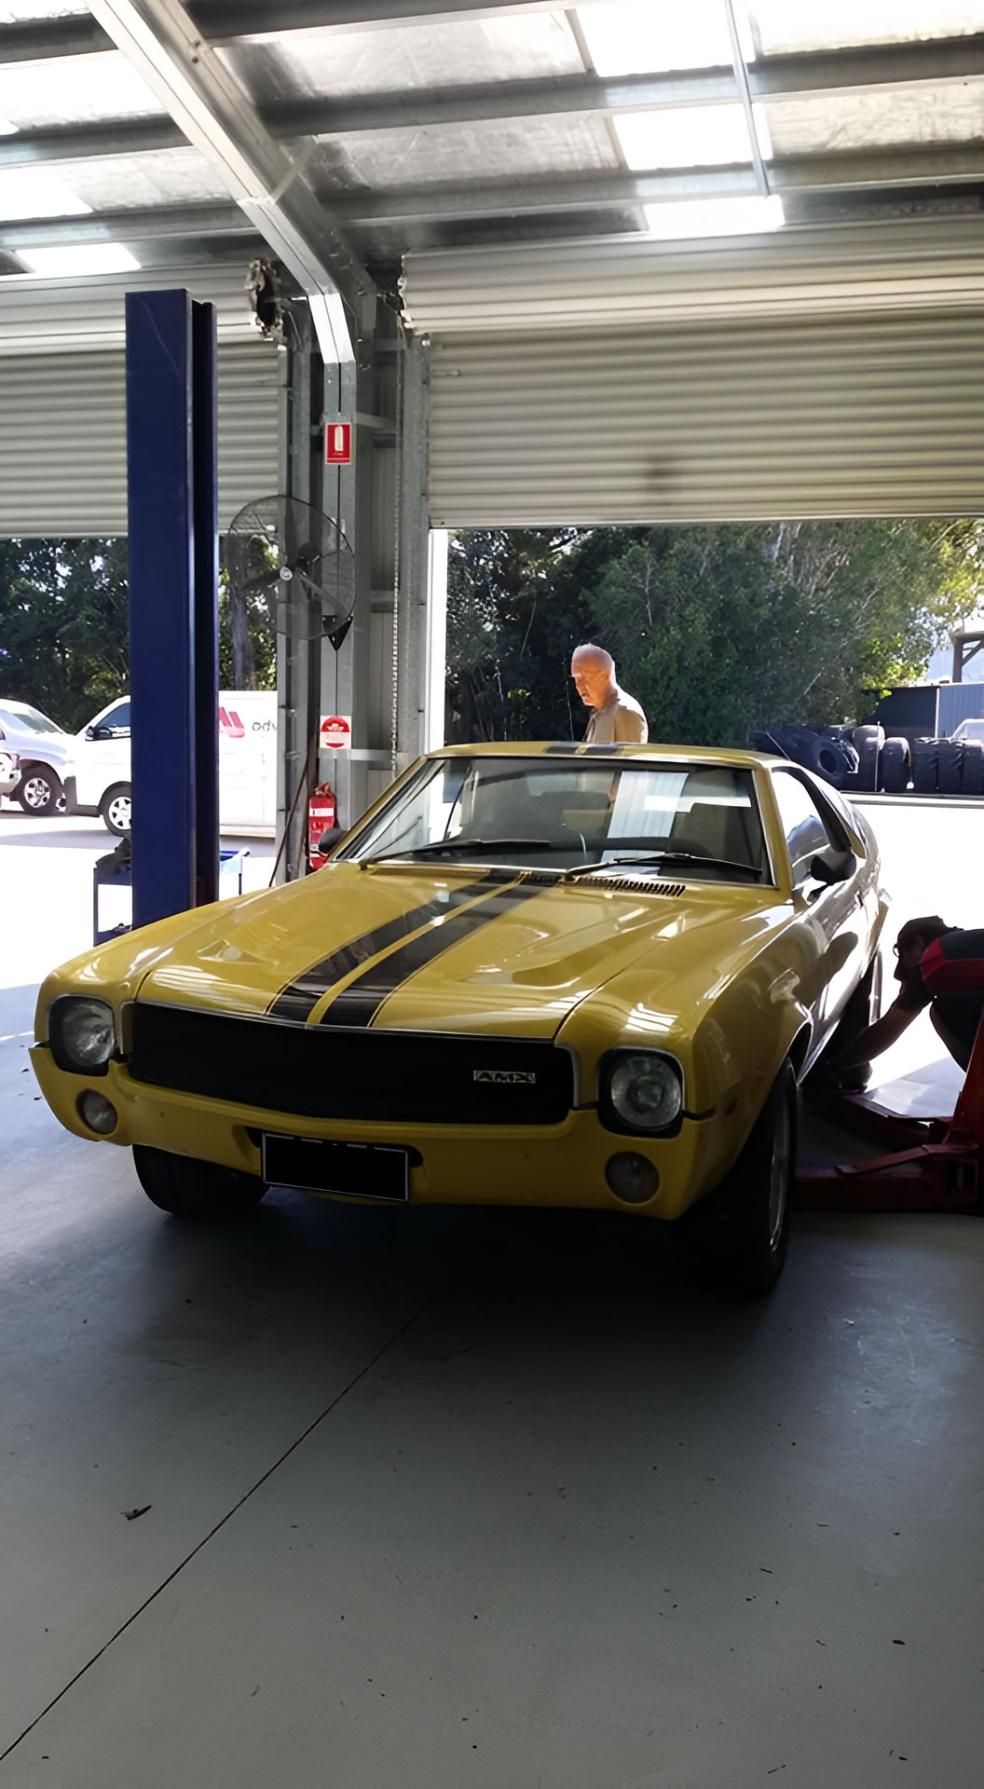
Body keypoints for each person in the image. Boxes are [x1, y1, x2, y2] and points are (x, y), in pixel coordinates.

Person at [836, 917, 984, 1076]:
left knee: (939, 1012)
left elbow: (887, 1030)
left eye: (901, 955)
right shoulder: (965, 946)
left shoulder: (937, 957)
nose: (897, 973)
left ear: (917, 943)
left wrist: (834, 1064)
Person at [570, 644, 648, 744]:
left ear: (605, 675)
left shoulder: (624, 712)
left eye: (584, 677)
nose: (578, 685)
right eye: (575, 679)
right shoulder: (600, 712)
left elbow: (627, 758)